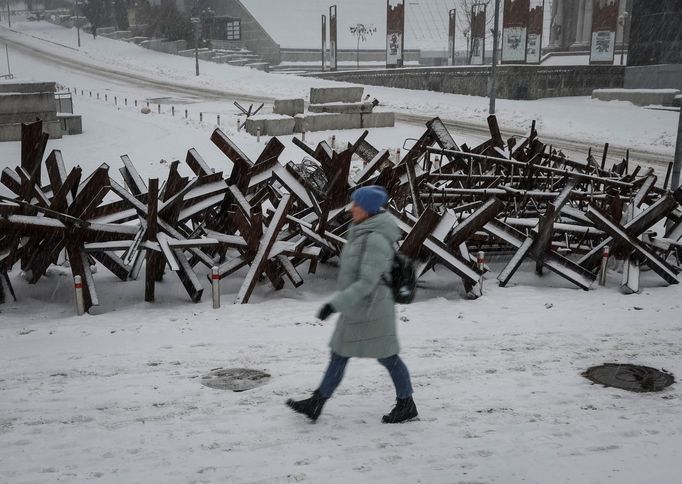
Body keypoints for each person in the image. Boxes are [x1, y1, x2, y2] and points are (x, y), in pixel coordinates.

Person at [286, 185, 418, 424]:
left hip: (373, 308)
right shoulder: (362, 230)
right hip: (358, 307)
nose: (352, 208)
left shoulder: (375, 238)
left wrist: (334, 304)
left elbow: (367, 281)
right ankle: (316, 403)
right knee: (340, 354)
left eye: (356, 204)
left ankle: (406, 404)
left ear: (367, 209)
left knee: (388, 357)